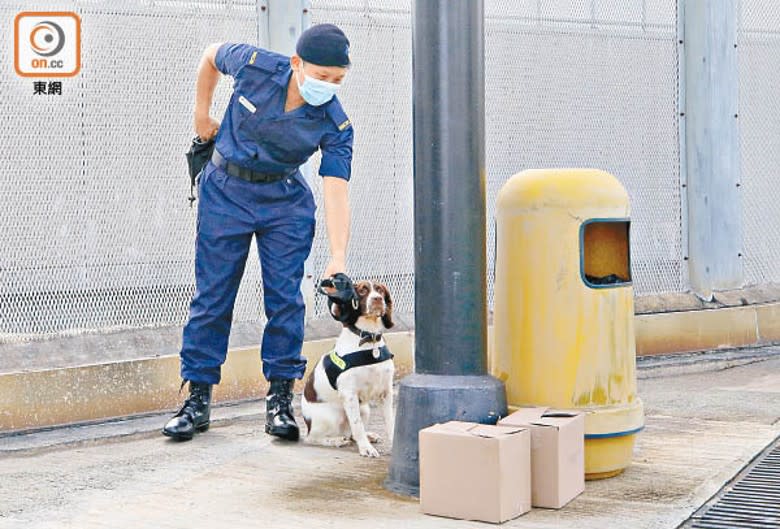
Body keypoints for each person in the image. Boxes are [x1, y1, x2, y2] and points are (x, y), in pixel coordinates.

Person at [163, 24, 353, 442]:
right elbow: (211, 55)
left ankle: (280, 399)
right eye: (321, 76)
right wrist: (201, 114)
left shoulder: (336, 124)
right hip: (226, 191)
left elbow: (336, 191)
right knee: (213, 296)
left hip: (284, 201)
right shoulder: (255, 66)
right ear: (297, 64)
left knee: (285, 299)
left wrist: (338, 256)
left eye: (338, 79)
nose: (329, 86)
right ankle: (197, 398)